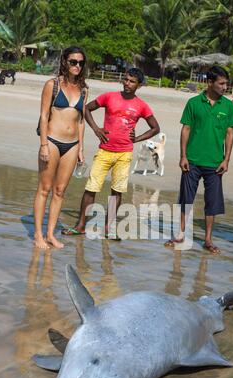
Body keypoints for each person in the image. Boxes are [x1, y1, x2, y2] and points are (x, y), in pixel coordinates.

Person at [62, 68, 160, 238]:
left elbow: (155, 128)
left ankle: (108, 229)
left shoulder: (141, 105)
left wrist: (136, 139)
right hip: (104, 151)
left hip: (124, 154)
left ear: (139, 85)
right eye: (126, 79)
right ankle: (81, 225)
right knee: (91, 188)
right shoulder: (109, 97)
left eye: (132, 81)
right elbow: (86, 108)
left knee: (117, 191)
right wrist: (96, 129)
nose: (127, 83)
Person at [165, 66, 233, 252]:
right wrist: (183, 156)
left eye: (226, 83)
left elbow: (230, 134)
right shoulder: (193, 103)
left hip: (215, 163)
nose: (225, 87)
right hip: (192, 160)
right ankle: (180, 235)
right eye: (221, 83)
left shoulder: (228, 106)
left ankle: (208, 240)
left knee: (212, 203)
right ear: (210, 83)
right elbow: (186, 129)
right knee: (186, 199)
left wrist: (226, 160)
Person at [33, 45, 88, 249]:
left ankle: (51, 234)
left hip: (72, 145)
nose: (77, 66)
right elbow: (43, 115)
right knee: (45, 188)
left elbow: (81, 120)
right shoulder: (52, 85)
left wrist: (81, 149)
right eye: (73, 62)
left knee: (60, 191)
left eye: (81, 63)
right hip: (52, 141)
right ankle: (38, 234)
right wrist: (44, 145)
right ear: (65, 61)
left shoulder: (84, 89)